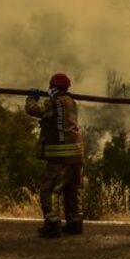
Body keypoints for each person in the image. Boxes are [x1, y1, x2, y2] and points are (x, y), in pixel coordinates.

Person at [26, 73, 84, 238]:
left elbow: (33, 110)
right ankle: (75, 223)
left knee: (49, 190)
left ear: (53, 88)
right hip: (77, 154)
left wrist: (32, 98)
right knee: (72, 190)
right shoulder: (72, 102)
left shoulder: (54, 102)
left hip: (61, 155)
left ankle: (52, 224)